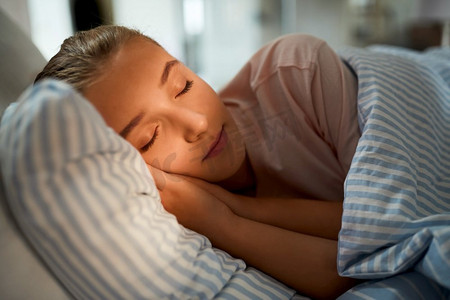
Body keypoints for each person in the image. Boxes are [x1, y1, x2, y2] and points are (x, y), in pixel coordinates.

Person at [35, 25, 361, 299]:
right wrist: (220, 222)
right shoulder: (168, 221)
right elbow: (344, 273)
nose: (198, 124)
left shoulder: (296, 75)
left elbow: (387, 227)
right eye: (149, 138)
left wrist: (236, 209)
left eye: (184, 85)